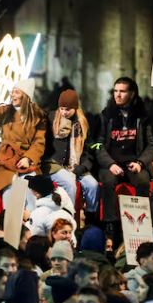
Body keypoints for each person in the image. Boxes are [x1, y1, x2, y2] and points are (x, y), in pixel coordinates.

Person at [97, 77, 153, 239]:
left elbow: (152, 146)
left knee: (143, 181)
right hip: (112, 163)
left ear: (132, 93)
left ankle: (141, 225)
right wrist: (109, 163)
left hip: (134, 162)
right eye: (115, 91)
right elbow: (97, 145)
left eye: (122, 91)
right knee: (108, 182)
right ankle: (111, 226)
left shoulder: (142, 118)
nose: (118, 95)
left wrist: (140, 163)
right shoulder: (106, 115)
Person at [0, 79, 47, 194]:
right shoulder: (5, 111)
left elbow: (39, 142)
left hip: (26, 161)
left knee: (31, 188)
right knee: (9, 189)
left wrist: (28, 158)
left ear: (25, 96)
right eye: (12, 92)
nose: (12, 95)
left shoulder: (38, 116)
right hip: (5, 159)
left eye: (17, 92)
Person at [43, 89, 99, 217]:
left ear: (75, 108)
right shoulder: (51, 119)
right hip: (55, 165)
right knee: (70, 184)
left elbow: (88, 150)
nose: (64, 112)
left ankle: (91, 219)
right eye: (61, 108)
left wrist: (82, 167)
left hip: (76, 166)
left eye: (67, 109)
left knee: (93, 185)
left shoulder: (83, 123)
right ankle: (69, 218)